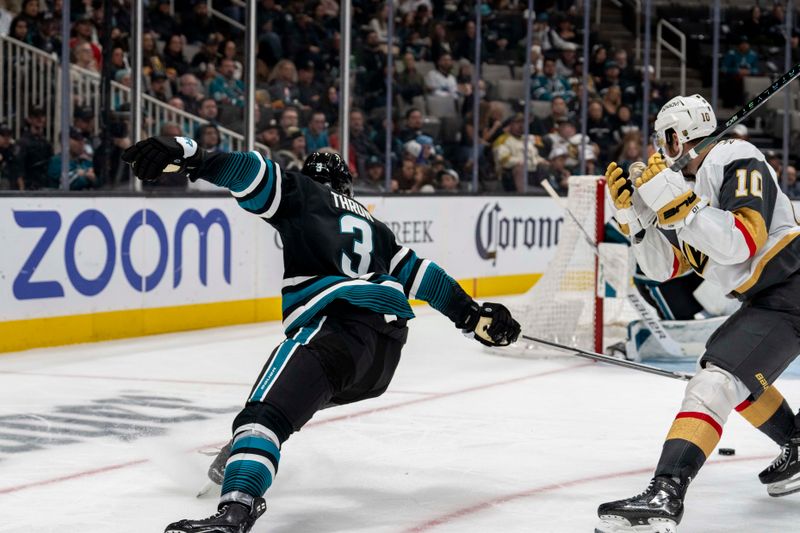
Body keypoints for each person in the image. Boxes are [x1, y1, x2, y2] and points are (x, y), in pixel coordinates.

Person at [121, 137, 521, 533]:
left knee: (263, 416)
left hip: (336, 326)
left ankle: (234, 512)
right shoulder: (374, 227)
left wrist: (193, 156)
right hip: (381, 361)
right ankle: (243, 452)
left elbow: (251, 171)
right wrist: (471, 316)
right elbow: (425, 276)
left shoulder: (304, 194)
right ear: (347, 185)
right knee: (303, 391)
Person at [597, 94, 800, 532]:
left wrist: (678, 206)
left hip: (792, 287)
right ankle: (797, 443)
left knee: (716, 380)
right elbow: (661, 267)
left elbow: (742, 241)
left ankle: (666, 492)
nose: (657, 150)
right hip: (774, 297)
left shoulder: (735, 155)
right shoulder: (689, 188)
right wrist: (637, 218)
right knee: (721, 366)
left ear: (677, 137)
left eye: (662, 139)